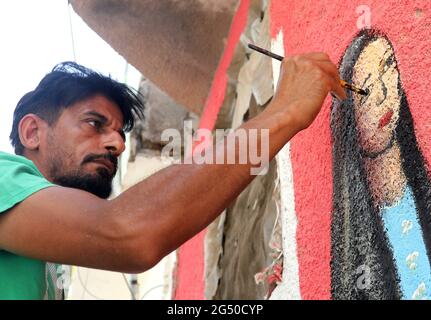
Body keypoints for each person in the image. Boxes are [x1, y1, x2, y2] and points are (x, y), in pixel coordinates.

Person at [0, 53, 346, 299]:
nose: (117, 144)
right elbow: (130, 232)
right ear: (32, 133)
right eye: (95, 123)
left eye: (120, 133)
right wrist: (283, 112)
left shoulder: (46, 262)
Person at [330, 29, 431, 300]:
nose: (383, 94)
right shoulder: (355, 250)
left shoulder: (423, 196)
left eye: (388, 67)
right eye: (366, 88)